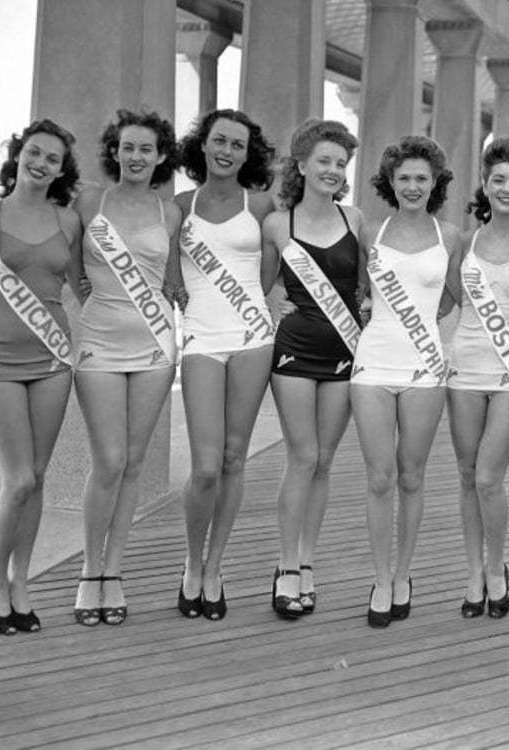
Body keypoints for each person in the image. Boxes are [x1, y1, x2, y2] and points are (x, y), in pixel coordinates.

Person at [0, 119, 83, 635]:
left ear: (60, 170)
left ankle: (22, 581)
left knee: (40, 477)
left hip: (51, 358)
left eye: (53, 158)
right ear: (17, 155)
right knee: (19, 478)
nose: (41, 163)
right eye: (34, 152)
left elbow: (84, 287)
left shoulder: (68, 221)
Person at [73, 108, 182, 626]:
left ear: (161, 156)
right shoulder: (89, 201)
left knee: (134, 462)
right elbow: (62, 264)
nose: (135, 157)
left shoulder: (170, 214)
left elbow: (178, 282)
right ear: (114, 152)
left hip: (155, 348)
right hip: (97, 343)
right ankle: (88, 572)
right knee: (109, 460)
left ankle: (113, 573)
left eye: (146, 149)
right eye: (127, 147)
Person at [351, 136, 462, 628]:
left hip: (425, 367)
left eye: (422, 178)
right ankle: (380, 578)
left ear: (434, 183)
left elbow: (462, 294)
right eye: (404, 178)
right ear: (389, 183)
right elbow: (357, 290)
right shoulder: (370, 231)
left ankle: (404, 573)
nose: (412, 186)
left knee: (412, 476)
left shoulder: (451, 236)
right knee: (379, 478)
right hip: (373, 362)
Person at [173, 109, 277, 621]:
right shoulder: (178, 205)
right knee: (206, 466)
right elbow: (157, 263)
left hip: (253, 338)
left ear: (247, 153)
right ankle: (191, 563)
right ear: (203, 144)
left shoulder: (260, 206)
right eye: (219, 140)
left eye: (238, 144)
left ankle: (214, 569)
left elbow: (270, 275)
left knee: (236, 456)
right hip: (200, 341)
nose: (227, 151)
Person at [260, 119, 363, 618]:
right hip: (295, 353)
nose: (332, 170)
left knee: (324, 461)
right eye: (323, 160)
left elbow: (367, 289)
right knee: (301, 457)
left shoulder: (356, 220)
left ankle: (308, 562)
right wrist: (273, 303)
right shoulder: (278, 225)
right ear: (300, 164)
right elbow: (257, 287)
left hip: (345, 353)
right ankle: (285, 566)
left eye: (340, 164)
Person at [447, 137, 509, 620]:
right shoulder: (464, 242)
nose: (507, 188)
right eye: (498, 180)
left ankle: (498, 565)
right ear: (484, 186)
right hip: (464, 364)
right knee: (467, 476)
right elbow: (440, 299)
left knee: (489, 475)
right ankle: (473, 573)